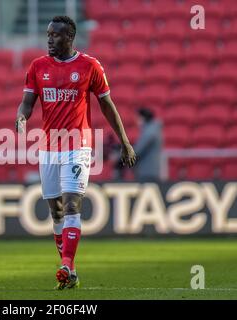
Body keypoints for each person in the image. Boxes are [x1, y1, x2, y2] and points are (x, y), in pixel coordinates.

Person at [15, 16, 136, 290]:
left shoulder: (89, 66)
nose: (49, 39)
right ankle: (71, 272)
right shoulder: (37, 67)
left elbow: (107, 105)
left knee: (71, 205)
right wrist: (21, 118)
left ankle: (66, 264)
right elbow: (26, 104)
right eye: (48, 34)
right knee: (56, 211)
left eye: (55, 35)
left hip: (77, 145)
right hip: (48, 148)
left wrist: (125, 141)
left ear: (69, 37)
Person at [134, 108, 163, 181]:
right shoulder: (151, 130)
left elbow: (137, 151)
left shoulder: (150, 132)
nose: (136, 120)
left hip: (148, 172)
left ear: (143, 118)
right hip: (148, 171)